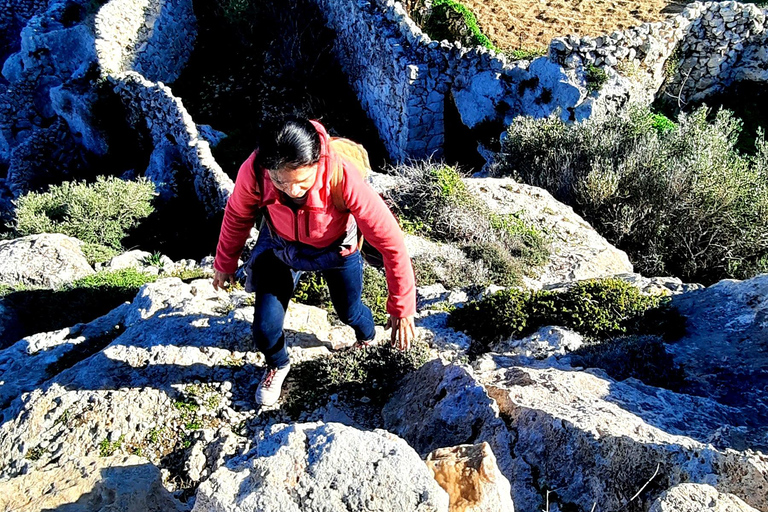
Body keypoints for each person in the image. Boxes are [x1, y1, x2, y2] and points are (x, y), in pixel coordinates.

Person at [212, 117, 416, 406]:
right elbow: (237, 214)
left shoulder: (341, 175)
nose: (292, 191)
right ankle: (278, 364)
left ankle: (367, 337)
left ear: (318, 163)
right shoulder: (256, 171)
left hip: (336, 249)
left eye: (302, 182)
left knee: (350, 312)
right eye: (280, 181)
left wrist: (402, 305)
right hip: (281, 248)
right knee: (264, 329)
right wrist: (225, 261)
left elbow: (390, 241)